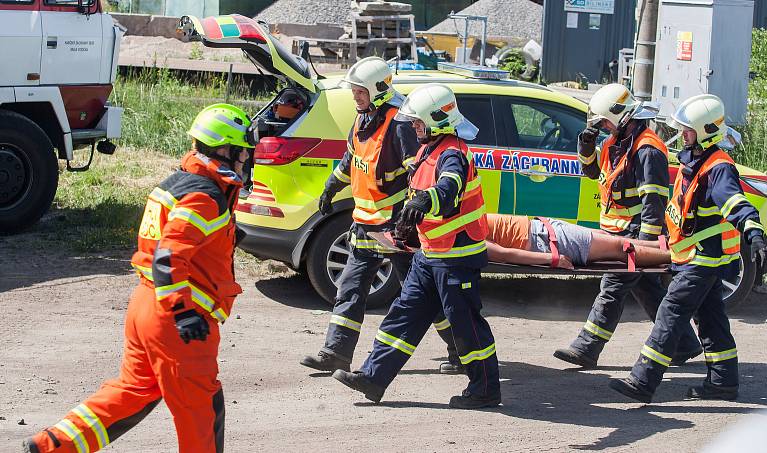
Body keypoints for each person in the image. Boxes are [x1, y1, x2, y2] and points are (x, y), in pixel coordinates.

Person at [22, 104, 255, 452]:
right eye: (242, 151)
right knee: (200, 412)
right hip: (178, 319)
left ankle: (52, 445)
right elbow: (170, 255)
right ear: (224, 150)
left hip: (146, 307)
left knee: (132, 392)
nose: (246, 159)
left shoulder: (181, 182)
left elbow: (170, 242)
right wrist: (183, 312)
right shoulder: (204, 197)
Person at [331, 83, 502, 409]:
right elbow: (420, 197)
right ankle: (373, 377)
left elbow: (448, 189)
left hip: (457, 256)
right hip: (429, 254)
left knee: (465, 324)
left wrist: (426, 199)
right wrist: (407, 225)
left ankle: (485, 390)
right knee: (403, 314)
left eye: (419, 122)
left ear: (438, 121)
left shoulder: (453, 153)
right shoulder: (426, 151)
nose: (413, 127)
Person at [300, 57, 462, 375]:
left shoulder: (399, 124)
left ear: (378, 90)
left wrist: (412, 216)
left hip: (396, 227)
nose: (355, 96)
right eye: (354, 91)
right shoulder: (362, 120)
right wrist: (330, 188)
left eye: (360, 91)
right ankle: (336, 352)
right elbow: (351, 161)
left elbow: (418, 171)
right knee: (350, 288)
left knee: (421, 293)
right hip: (366, 224)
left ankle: (460, 351)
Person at [609, 94, 767, 403]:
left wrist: (753, 229)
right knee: (711, 318)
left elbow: (734, 202)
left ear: (706, 131)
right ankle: (723, 382)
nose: (683, 136)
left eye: (689, 131)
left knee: (671, 312)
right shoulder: (696, 160)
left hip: (703, 258)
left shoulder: (718, 167)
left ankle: (643, 380)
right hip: (693, 255)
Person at [554, 84, 703, 368]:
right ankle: (683, 343)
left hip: (636, 234)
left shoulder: (648, 149)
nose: (603, 127)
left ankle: (587, 347)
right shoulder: (615, 142)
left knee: (612, 286)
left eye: (605, 121)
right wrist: (586, 148)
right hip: (619, 231)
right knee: (646, 288)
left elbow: (654, 202)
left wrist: (644, 244)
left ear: (621, 117)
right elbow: (593, 172)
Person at [484, 213, 671, 269]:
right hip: (543, 240)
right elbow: (502, 254)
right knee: (619, 249)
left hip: (543, 227)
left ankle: (666, 245)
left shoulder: (459, 218)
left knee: (609, 238)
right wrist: (552, 259)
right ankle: (677, 257)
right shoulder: (461, 236)